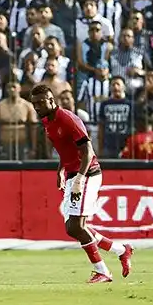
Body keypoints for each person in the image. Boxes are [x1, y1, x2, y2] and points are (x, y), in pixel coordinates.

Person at [29, 84, 134, 283]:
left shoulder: (68, 119)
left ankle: (103, 271)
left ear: (51, 100)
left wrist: (79, 178)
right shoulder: (47, 121)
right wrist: (61, 170)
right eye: (34, 103)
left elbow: (88, 151)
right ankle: (121, 250)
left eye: (41, 102)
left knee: (75, 227)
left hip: (87, 174)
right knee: (74, 226)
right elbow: (65, 148)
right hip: (72, 174)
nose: (37, 106)